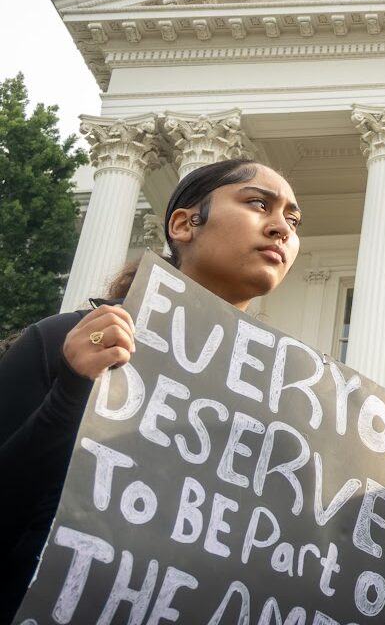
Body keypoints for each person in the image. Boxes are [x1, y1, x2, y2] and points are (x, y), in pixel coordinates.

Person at [0, 158, 302, 622]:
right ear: (184, 224)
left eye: (294, 220)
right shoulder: (63, 341)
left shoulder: (292, 409)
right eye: (258, 203)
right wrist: (71, 392)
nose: (282, 228)